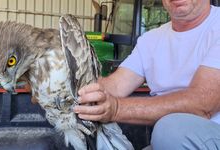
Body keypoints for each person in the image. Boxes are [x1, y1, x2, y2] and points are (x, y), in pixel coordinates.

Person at [73, 0, 220, 149]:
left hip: (205, 134)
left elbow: (202, 104)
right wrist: (79, 90)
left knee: (172, 130)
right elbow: (116, 85)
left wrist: (116, 109)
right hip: (168, 142)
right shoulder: (151, 39)